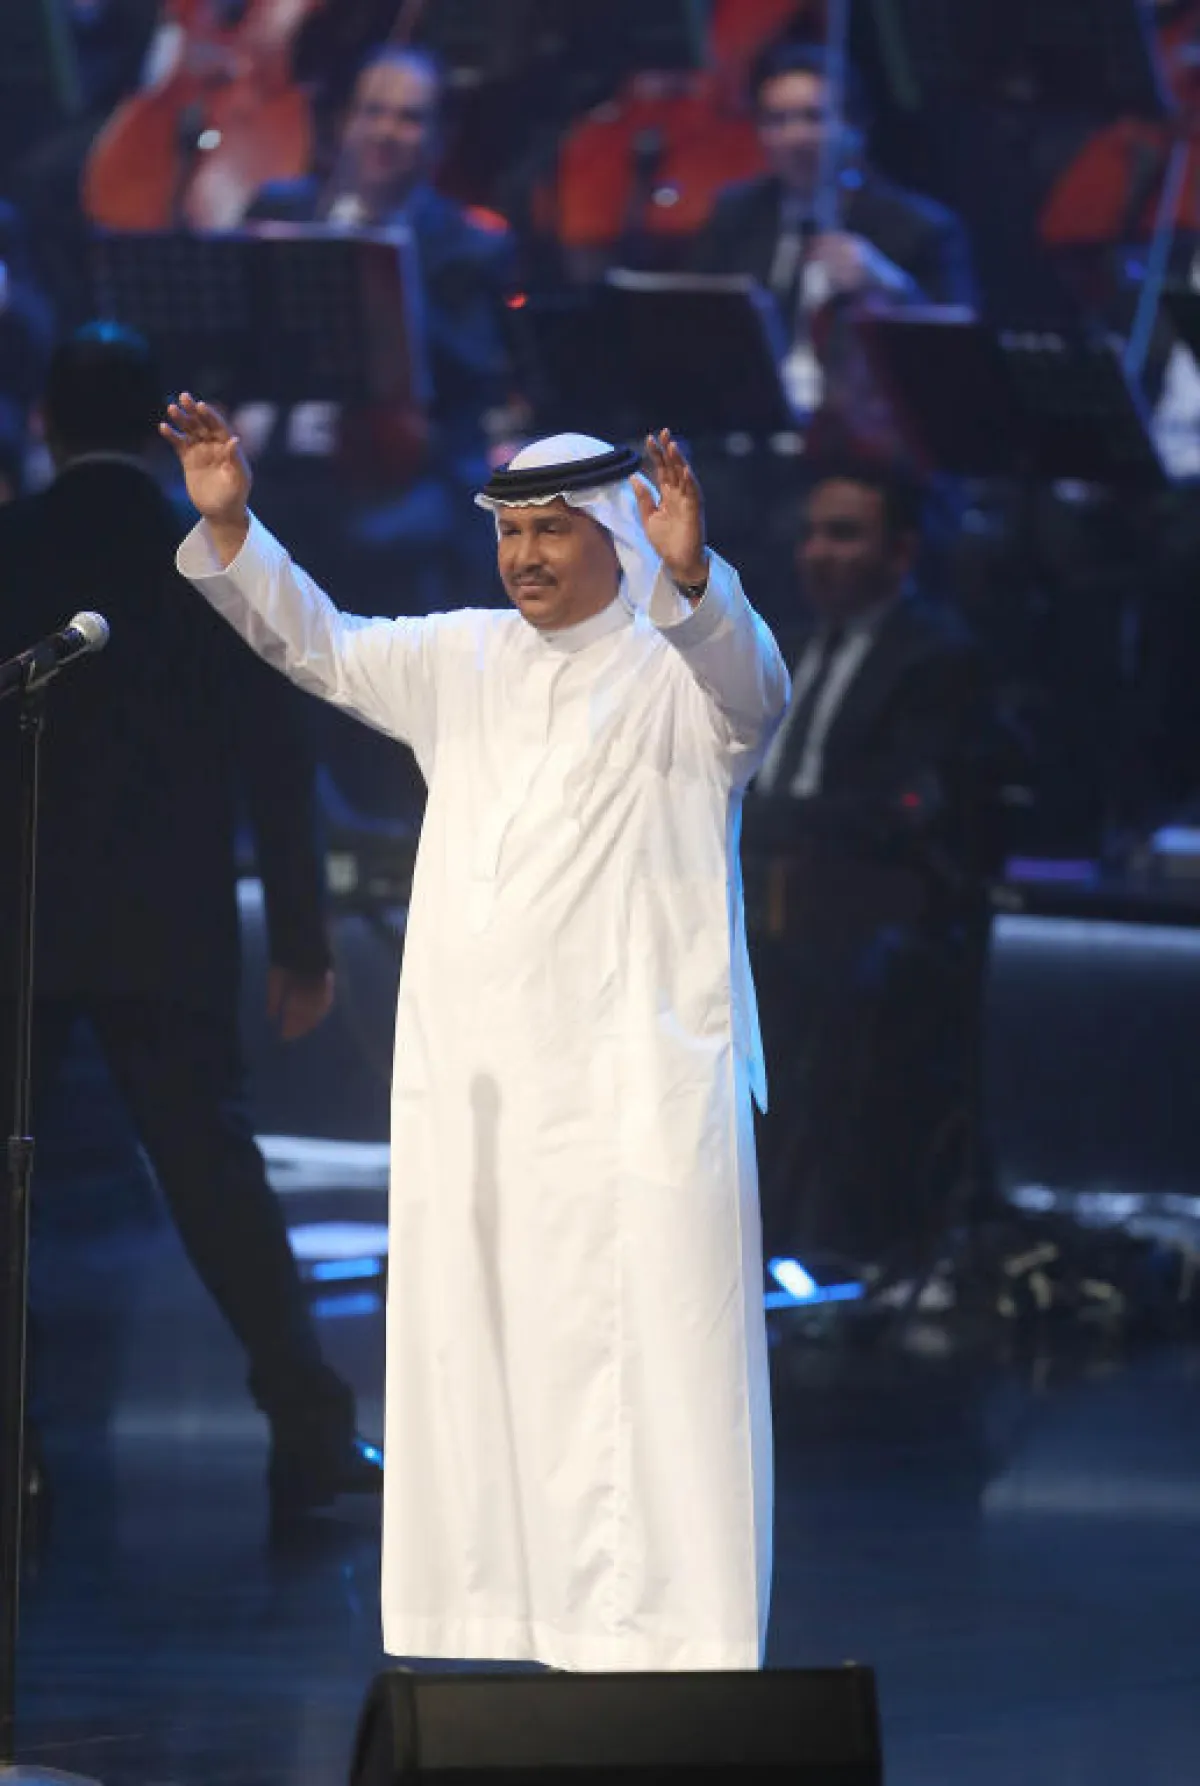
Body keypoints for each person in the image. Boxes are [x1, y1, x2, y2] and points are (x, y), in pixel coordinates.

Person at [162, 394, 789, 1671]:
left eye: (553, 531)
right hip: (488, 1095)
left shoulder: (680, 676)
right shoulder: (463, 659)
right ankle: (517, 1620)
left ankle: (683, 1643)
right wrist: (232, 527)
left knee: (658, 1362)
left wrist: (693, 580)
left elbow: (754, 690)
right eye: (510, 533)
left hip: (635, 1087)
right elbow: (320, 644)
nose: (526, 558)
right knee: (493, 1352)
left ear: (617, 534)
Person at [0, 325, 382, 1517]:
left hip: (20, 917)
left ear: (45, 423)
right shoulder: (209, 559)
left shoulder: (10, 543)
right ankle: (310, 1435)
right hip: (166, 922)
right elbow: (277, 758)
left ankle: (17, 1450)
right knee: (215, 1175)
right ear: (154, 431)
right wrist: (304, 940)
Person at [743, 456, 996, 1277]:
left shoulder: (937, 659)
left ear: (902, 551)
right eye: (812, 534)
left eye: (844, 534)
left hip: (861, 912)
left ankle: (816, 1245)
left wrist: (755, 821)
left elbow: (900, 812)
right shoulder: (785, 645)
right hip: (754, 889)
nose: (818, 552)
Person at [694, 40, 976, 417]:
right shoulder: (736, 214)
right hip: (753, 417)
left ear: (856, 127)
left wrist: (892, 285)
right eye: (777, 121)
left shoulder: (919, 225)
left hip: (864, 424)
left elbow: (961, 355)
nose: (796, 137)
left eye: (814, 117)